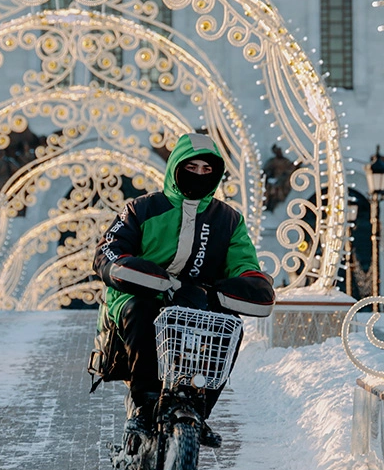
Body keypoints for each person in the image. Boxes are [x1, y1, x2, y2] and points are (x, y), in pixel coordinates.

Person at [93, 133, 275, 448]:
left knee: (229, 326)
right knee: (142, 311)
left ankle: (199, 411)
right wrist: (158, 282)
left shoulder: (228, 220)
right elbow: (109, 252)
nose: (200, 174)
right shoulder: (142, 208)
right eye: (192, 166)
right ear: (176, 167)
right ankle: (142, 404)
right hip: (140, 296)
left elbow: (244, 264)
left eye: (208, 169)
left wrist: (235, 289)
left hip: (197, 302)